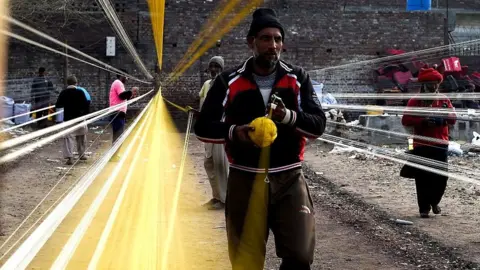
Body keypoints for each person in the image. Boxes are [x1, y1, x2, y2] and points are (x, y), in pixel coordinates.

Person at [194, 8, 326, 270]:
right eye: (266, 38)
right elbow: (203, 127)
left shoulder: (297, 78)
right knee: (246, 260)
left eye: (278, 39)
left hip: (289, 178)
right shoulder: (227, 81)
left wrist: (287, 116)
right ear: (251, 42)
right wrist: (235, 132)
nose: (273, 45)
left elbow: (318, 125)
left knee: (300, 255)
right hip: (245, 178)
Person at [402, 68, 456, 218]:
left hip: (440, 143)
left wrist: (443, 119)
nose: (433, 87)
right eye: (430, 84)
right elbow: (406, 120)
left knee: (441, 176)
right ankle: (423, 208)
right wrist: (423, 121)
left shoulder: (444, 100)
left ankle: (434, 201)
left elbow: (453, 118)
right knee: (423, 177)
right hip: (421, 144)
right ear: (423, 85)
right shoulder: (415, 101)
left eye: (435, 84)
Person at [199, 56, 229, 210]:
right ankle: (216, 196)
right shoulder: (206, 85)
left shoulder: (225, 84)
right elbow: (202, 105)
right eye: (211, 66)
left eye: (216, 66)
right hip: (207, 131)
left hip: (219, 130)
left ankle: (225, 200)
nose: (213, 69)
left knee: (220, 164)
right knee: (208, 163)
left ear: (221, 68)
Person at [55, 75, 89, 165]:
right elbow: (86, 105)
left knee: (68, 139)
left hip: (68, 119)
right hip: (80, 119)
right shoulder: (80, 92)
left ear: (67, 83)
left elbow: (58, 105)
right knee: (81, 137)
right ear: (76, 83)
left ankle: (70, 158)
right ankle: (82, 155)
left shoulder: (63, 93)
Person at [109, 69, 137, 146]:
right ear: (122, 75)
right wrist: (131, 92)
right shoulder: (118, 83)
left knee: (117, 134)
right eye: (126, 77)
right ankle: (115, 153)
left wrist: (131, 95)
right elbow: (122, 96)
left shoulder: (118, 83)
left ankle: (115, 153)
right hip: (117, 113)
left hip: (118, 112)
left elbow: (123, 98)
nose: (127, 79)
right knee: (118, 135)